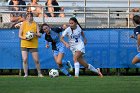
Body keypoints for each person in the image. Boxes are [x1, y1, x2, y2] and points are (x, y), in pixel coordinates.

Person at [19, 12, 43, 77]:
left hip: (33, 44)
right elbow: (19, 35)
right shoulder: (23, 24)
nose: (29, 17)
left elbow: (39, 35)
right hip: (24, 43)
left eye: (31, 16)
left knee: (36, 60)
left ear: (32, 17)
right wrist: (25, 38)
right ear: (26, 17)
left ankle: (39, 73)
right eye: (28, 16)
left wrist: (34, 34)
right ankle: (26, 74)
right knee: (25, 59)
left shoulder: (35, 24)